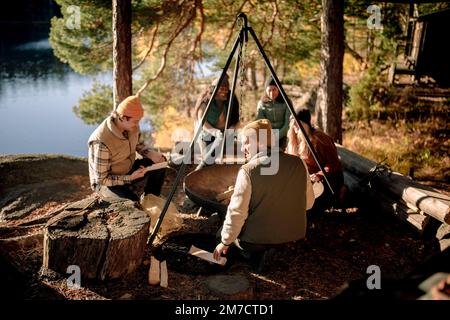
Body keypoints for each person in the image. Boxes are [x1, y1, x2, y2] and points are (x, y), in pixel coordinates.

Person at [213, 119, 314, 273]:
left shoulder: (248, 170)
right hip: (294, 233)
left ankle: (253, 256)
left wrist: (225, 242)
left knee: (222, 232)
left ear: (260, 143)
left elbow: (236, 213)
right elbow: (308, 204)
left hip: (257, 239)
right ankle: (272, 249)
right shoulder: (299, 163)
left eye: (246, 142)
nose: (242, 148)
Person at [88, 95, 167, 201]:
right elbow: (102, 179)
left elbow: (138, 144)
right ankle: (130, 195)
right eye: (135, 121)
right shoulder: (101, 142)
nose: (137, 125)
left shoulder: (131, 125)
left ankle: (151, 198)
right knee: (133, 203)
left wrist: (150, 153)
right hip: (106, 183)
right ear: (123, 117)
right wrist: (130, 178)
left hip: (128, 170)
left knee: (160, 164)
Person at [286, 108, 345, 210]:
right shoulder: (294, 139)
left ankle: (341, 192)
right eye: (292, 123)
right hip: (308, 181)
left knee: (308, 206)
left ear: (304, 123)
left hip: (328, 179)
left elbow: (333, 163)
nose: (294, 125)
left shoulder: (320, 140)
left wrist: (319, 175)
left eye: (296, 122)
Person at [193, 73, 240, 169]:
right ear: (214, 90)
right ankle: (202, 170)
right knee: (208, 159)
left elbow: (237, 120)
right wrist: (215, 132)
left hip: (225, 133)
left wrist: (232, 128)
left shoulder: (231, 99)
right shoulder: (205, 101)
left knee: (212, 157)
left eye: (226, 89)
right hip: (206, 133)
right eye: (221, 89)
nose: (224, 92)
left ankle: (203, 167)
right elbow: (202, 121)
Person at [256, 77, 291, 150]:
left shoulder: (286, 102)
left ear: (279, 89)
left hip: (284, 135)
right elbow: (260, 123)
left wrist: (276, 137)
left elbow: (287, 124)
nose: (272, 93)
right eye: (269, 90)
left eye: (274, 89)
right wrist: (268, 138)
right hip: (267, 136)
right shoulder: (262, 104)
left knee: (281, 155)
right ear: (266, 90)